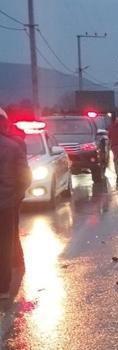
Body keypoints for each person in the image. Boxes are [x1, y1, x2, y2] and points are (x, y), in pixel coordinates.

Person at [0, 108, 31, 300]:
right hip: (6, 203)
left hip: (7, 201)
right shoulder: (13, 145)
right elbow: (25, 177)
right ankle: (3, 287)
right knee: (5, 242)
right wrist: (16, 196)